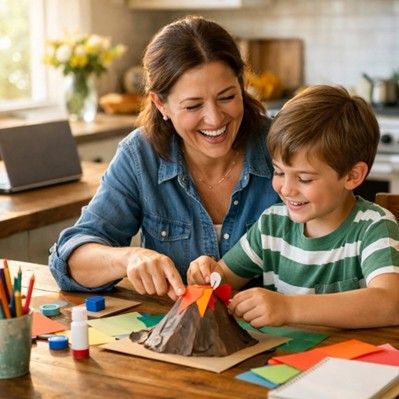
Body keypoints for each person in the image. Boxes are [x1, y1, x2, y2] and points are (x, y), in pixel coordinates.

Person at [48, 15, 279, 299]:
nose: (215, 118)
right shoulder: (140, 156)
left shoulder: (283, 145)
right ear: (161, 105)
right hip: (177, 339)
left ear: (241, 86)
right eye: (193, 105)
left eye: (227, 97)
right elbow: (69, 261)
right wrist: (129, 258)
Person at [188, 85, 399, 329]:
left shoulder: (374, 227)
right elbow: (224, 279)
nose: (286, 189)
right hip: (283, 361)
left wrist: (288, 307)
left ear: (352, 175)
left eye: (304, 179)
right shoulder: (272, 226)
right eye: (278, 172)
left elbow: (391, 305)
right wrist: (207, 274)